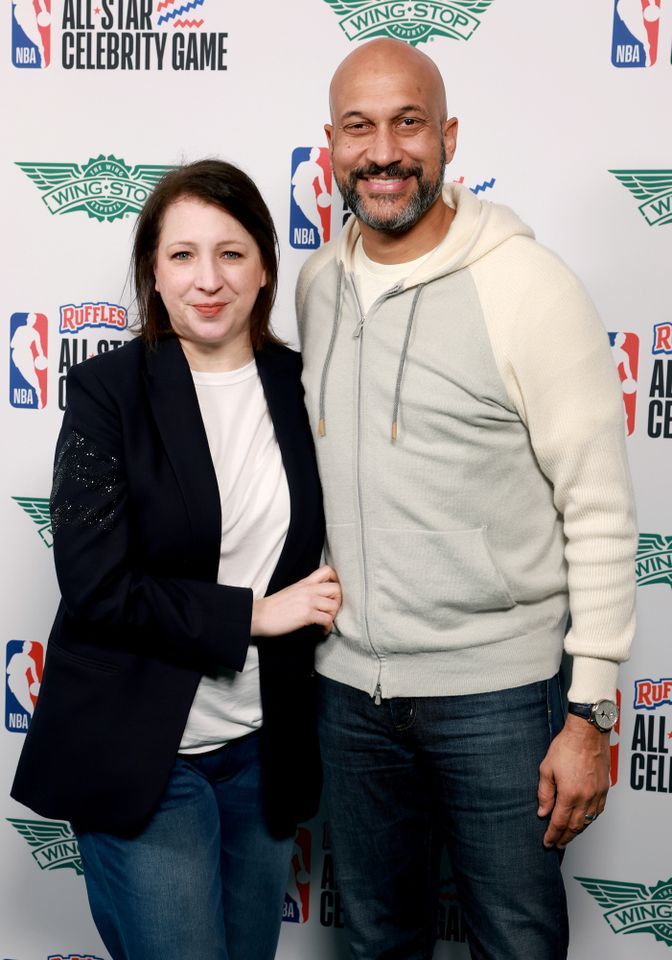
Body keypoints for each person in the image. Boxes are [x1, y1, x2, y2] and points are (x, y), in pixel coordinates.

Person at [296, 38, 636, 960]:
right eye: (359, 128)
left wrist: (591, 712)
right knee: (375, 942)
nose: (384, 151)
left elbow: (600, 508)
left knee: (516, 944)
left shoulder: (527, 285)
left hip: (502, 697)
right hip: (350, 696)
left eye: (408, 122)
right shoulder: (318, 283)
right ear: (330, 146)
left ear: (447, 136)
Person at [12, 159, 341, 960]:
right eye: (183, 255)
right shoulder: (108, 394)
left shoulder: (306, 387)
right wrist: (255, 615)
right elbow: (97, 586)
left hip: (264, 751)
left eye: (231, 253)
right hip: (144, 758)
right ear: (152, 275)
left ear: (265, 267)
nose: (208, 279)